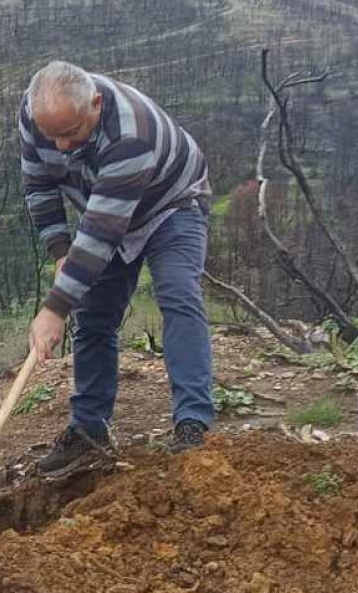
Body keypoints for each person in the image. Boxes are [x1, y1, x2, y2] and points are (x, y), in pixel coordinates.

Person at [19, 61, 215, 476]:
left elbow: (102, 232)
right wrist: (59, 252)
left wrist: (54, 308)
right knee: (94, 316)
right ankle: (88, 431)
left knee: (178, 297)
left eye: (71, 133)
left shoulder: (131, 135)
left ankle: (193, 424)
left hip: (171, 205)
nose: (61, 146)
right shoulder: (36, 114)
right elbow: (39, 187)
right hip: (103, 207)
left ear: (96, 104)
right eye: (51, 135)